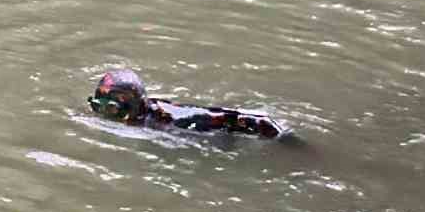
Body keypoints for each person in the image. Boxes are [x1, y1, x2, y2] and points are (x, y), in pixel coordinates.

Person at [87, 68, 287, 139]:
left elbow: (258, 122)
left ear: (134, 109)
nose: (103, 115)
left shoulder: (174, 120)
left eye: (112, 109)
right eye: (97, 106)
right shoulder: (142, 118)